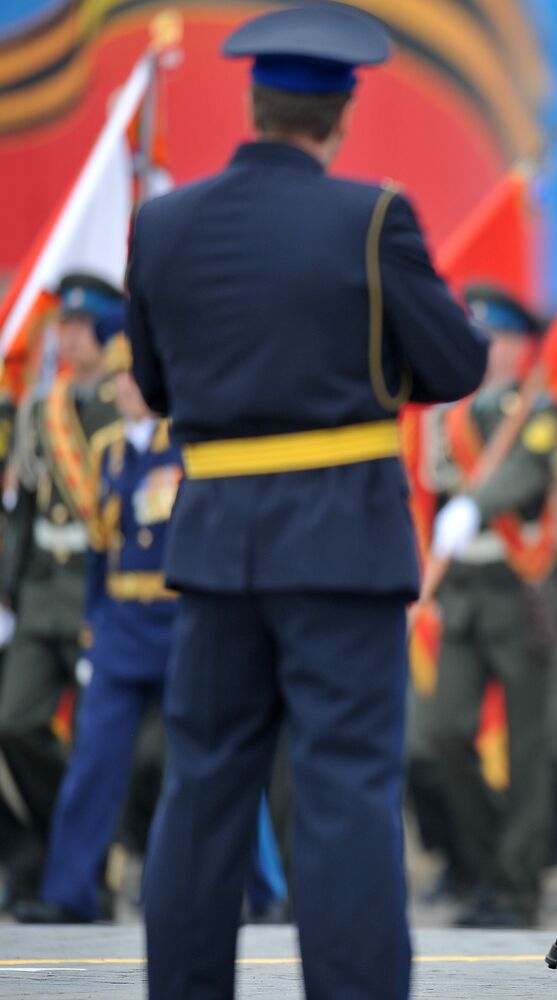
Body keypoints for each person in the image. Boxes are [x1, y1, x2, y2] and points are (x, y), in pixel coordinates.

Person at [124, 4, 488, 997]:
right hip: (341, 542)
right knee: (342, 789)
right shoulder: (371, 218)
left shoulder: (161, 224)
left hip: (214, 544)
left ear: (253, 107)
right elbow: (456, 362)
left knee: (204, 787)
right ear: (339, 116)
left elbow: (155, 384)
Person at [13, 335, 286, 925]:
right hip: (120, 628)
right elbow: (98, 550)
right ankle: (70, 892)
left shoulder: (184, 446)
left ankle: (266, 891)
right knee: (94, 759)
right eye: (118, 378)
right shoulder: (107, 452)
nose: (124, 387)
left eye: (133, 377)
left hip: (179, 623)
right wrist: (93, 624)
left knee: (216, 755)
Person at [408, 283, 557, 927]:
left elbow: (527, 472)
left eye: (499, 339)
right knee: (443, 734)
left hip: (517, 592)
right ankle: (481, 866)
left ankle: (516, 890)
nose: (489, 349)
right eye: (480, 338)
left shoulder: (537, 408)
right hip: (463, 595)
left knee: (527, 751)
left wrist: (475, 504)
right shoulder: (447, 416)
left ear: (521, 347)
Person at [0, 273, 122, 905]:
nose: (69, 338)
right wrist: (9, 589)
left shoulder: (123, 404)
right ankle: (58, 848)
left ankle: (85, 872)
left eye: (82, 326)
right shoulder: (40, 408)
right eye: (65, 326)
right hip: (42, 593)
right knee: (14, 721)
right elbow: (24, 508)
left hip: (95, 596)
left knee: (99, 743)